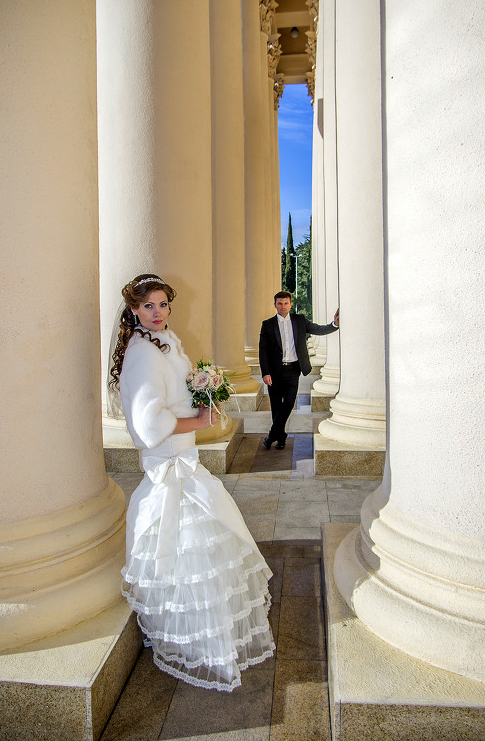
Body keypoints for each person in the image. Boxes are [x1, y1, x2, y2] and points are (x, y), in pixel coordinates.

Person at [109, 274, 275, 691]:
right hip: (170, 462)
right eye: (148, 306)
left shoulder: (164, 343)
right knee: (183, 550)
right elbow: (150, 425)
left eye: (163, 304)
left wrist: (206, 396)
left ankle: (205, 637)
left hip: (183, 456)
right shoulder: (143, 353)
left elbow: (177, 397)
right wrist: (199, 420)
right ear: (133, 310)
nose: (158, 312)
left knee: (197, 554)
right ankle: (194, 640)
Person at [259, 290, 339, 449]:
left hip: (293, 371)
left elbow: (317, 329)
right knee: (276, 408)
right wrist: (265, 372)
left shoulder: (299, 320)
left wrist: (334, 324)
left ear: (290, 304)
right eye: (280, 303)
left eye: (286, 303)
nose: (283, 306)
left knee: (288, 404)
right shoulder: (267, 324)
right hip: (274, 373)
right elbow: (263, 350)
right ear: (275, 305)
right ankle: (280, 439)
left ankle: (271, 436)